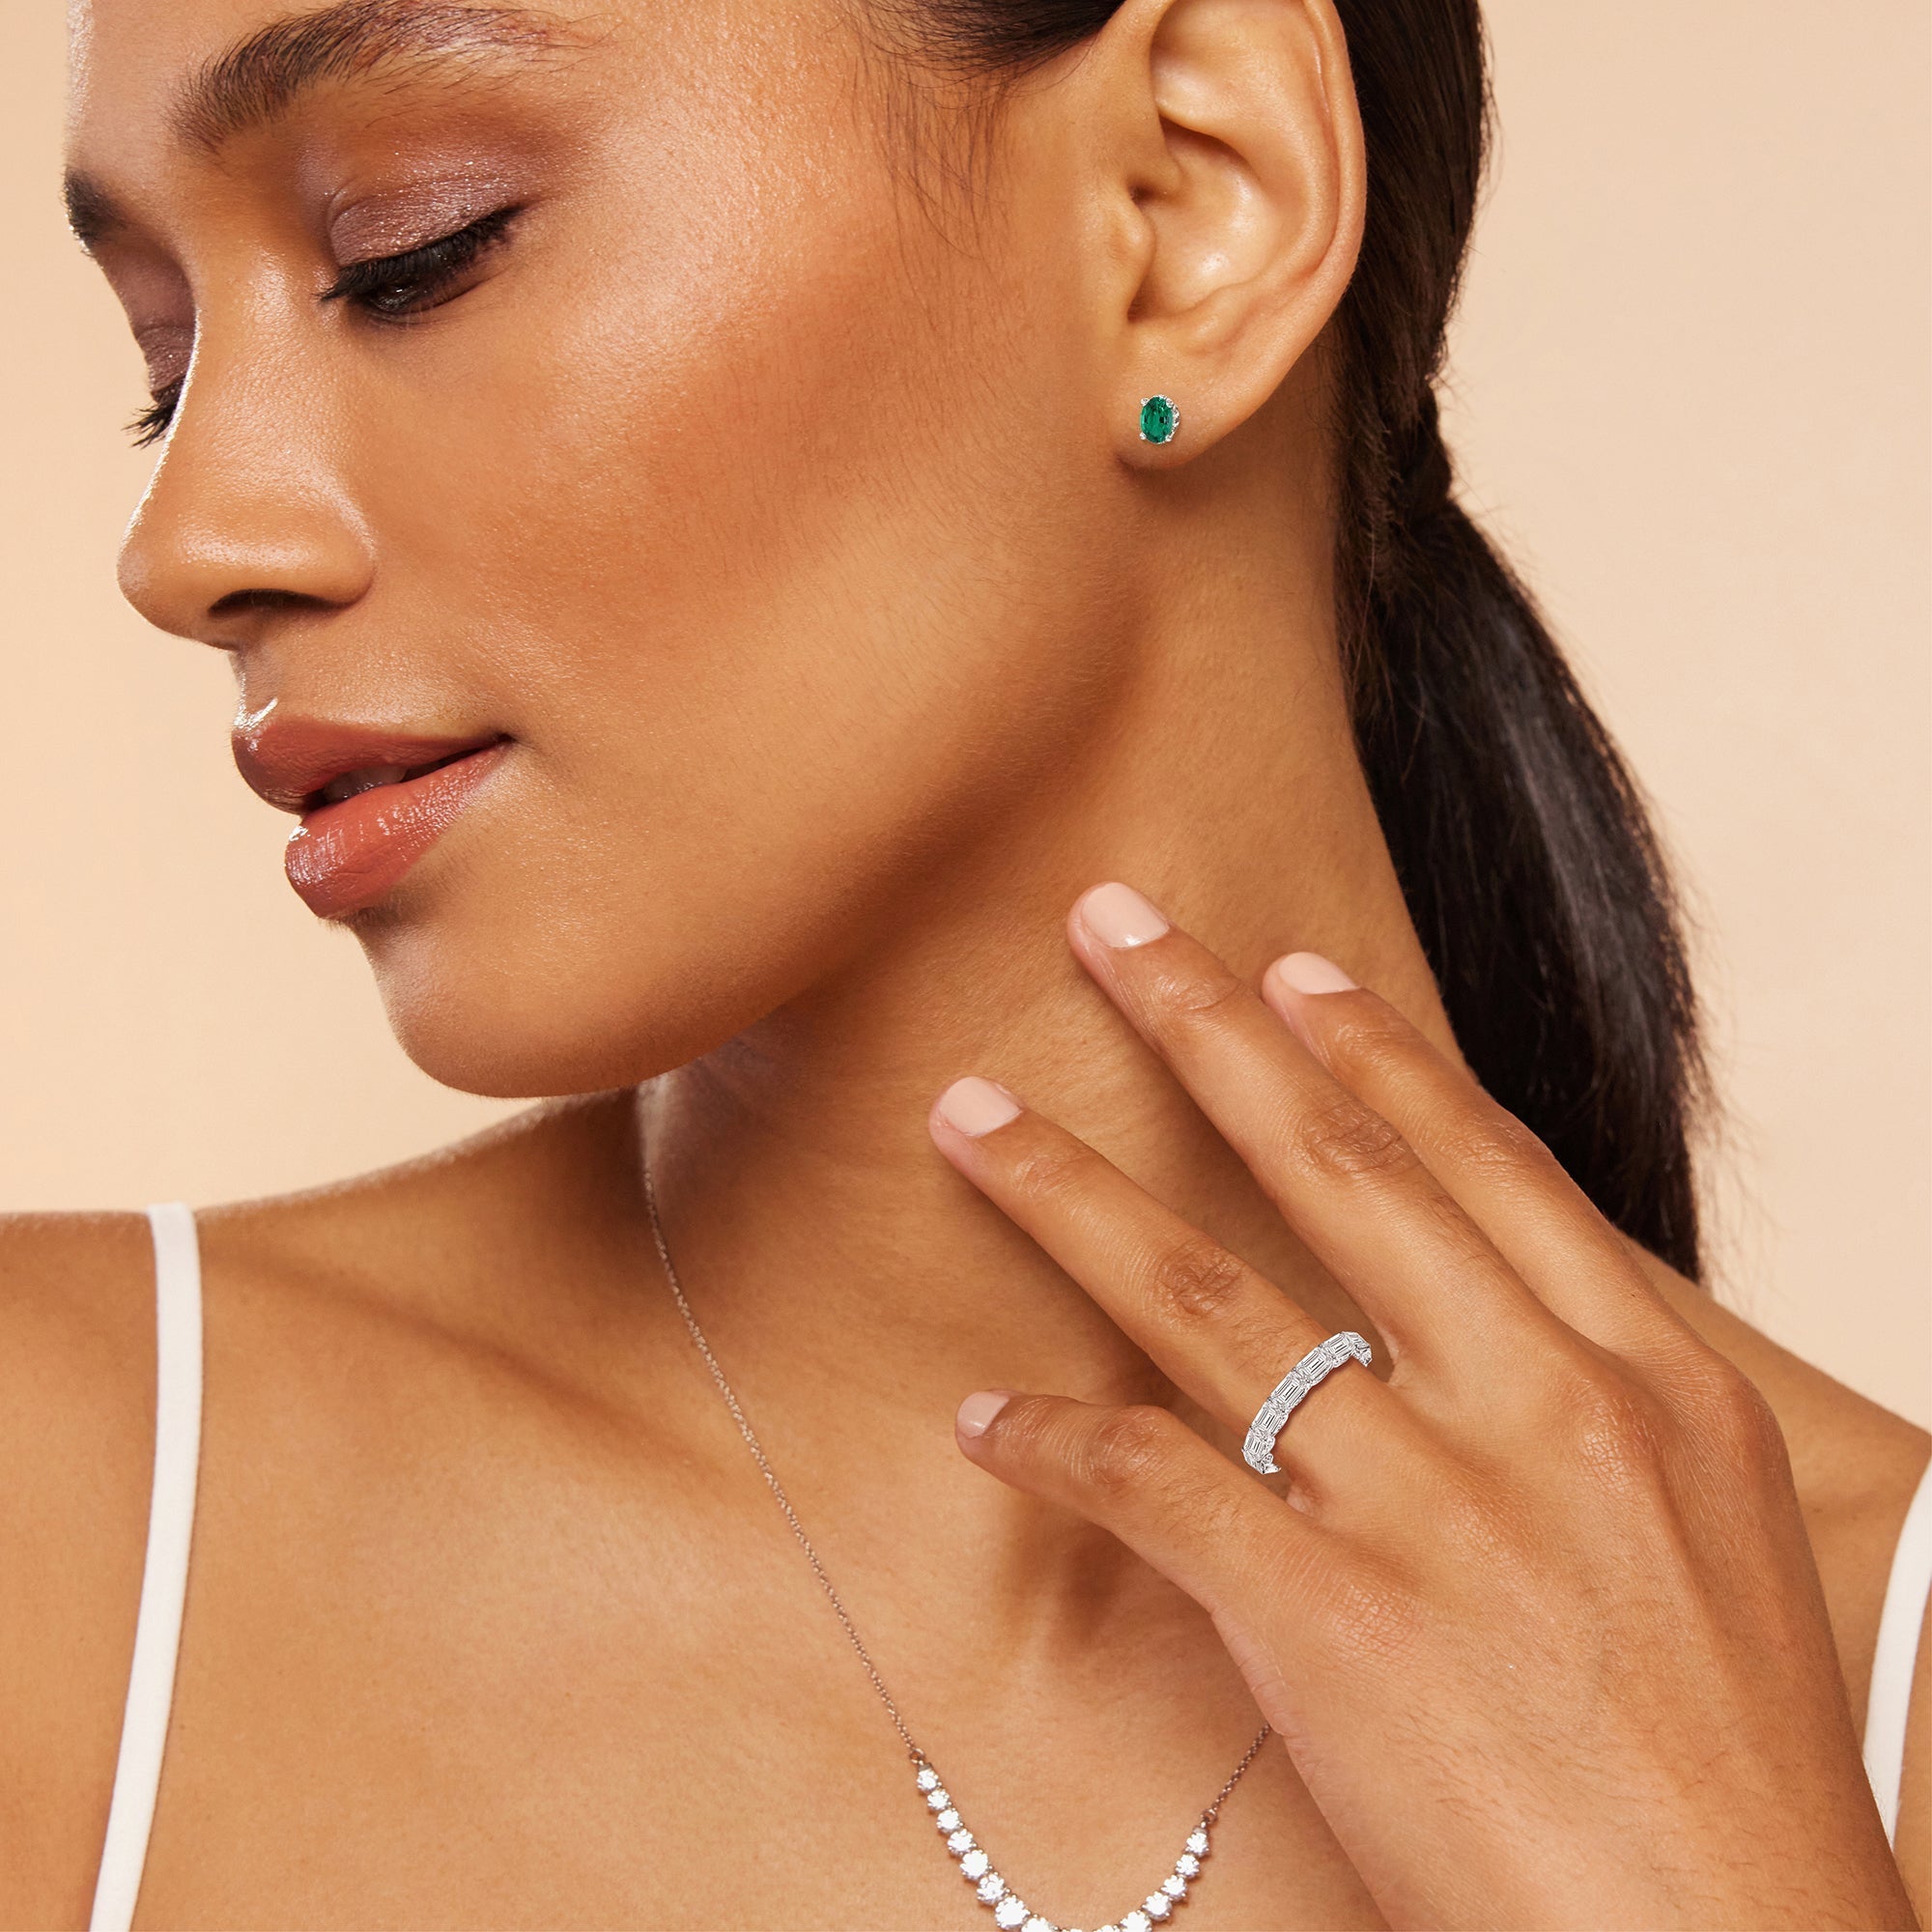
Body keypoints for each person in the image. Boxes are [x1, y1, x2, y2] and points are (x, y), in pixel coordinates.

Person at [7, 0, 1925, 1923]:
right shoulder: (61, 1519)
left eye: (411, 249)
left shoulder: (1874, 1707)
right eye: (166, 364)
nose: (188, 543)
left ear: (1189, 205)